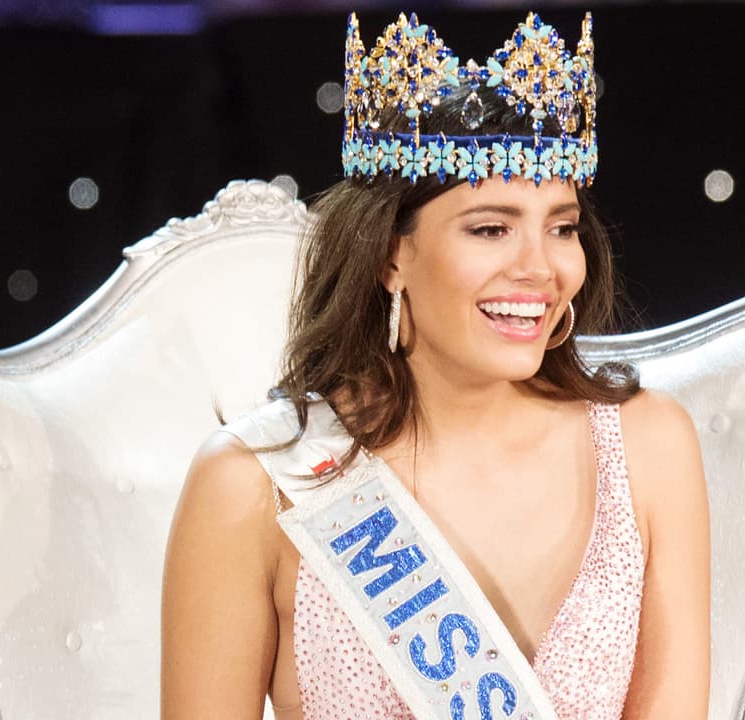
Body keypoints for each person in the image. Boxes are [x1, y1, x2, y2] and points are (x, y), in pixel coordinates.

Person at [161, 11, 709, 720]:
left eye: (562, 227)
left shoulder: (648, 449)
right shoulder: (253, 485)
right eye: (491, 228)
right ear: (390, 254)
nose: (540, 268)